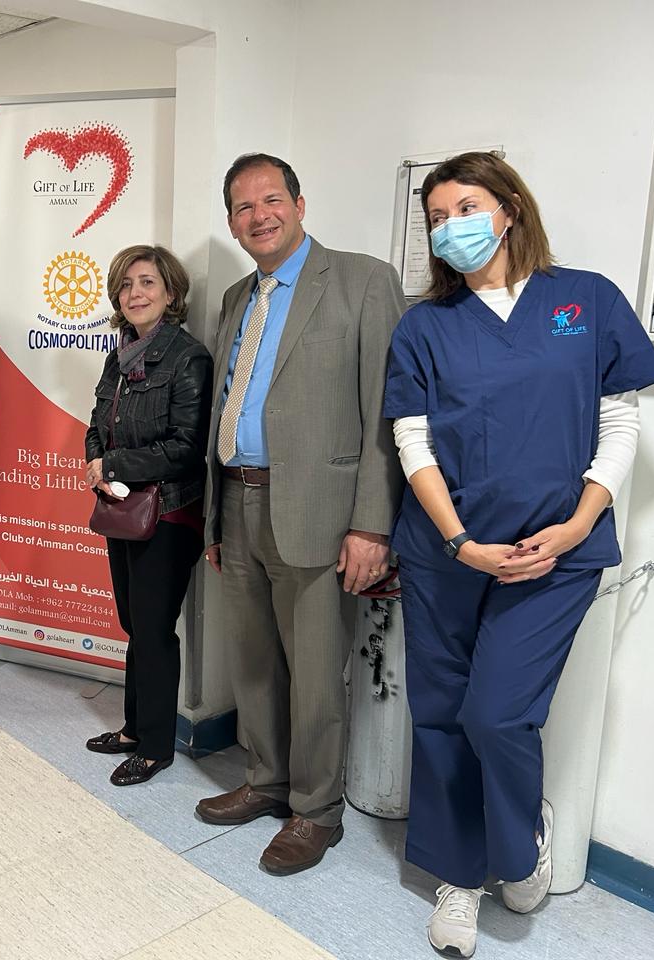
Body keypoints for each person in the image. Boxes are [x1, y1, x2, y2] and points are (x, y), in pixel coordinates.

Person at [384, 151, 654, 958]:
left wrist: (579, 524)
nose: (452, 227)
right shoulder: (425, 325)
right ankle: (458, 876)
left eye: (466, 208)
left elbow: (620, 420)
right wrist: (460, 541)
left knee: (497, 712)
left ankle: (519, 842)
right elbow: (413, 441)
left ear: (509, 208)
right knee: (442, 712)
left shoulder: (586, 300)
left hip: (554, 553)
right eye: (437, 217)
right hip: (448, 552)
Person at [196, 153, 406, 873]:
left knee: (316, 674)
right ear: (232, 222)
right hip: (236, 502)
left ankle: (316, 810)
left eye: (271, 199)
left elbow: (386, 412)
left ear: (299, 203)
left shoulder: (362, 281)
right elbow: (225, 405)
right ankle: (266, 780)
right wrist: (214, 518)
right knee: (253, 660)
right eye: (243, 207)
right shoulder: (236, 297)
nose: (259, 216)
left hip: (321, 511)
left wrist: (372, 525)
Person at [82, 245, 212, 786]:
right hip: (122, 507)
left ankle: (156, 746)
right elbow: (97, 423)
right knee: (134, 624)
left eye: (147, 283)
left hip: (169, 515)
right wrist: (95, 459)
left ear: (171, 292)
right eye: (126, 285)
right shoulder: (119, 357)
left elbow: (186, 446)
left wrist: (112, 463)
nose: (135, 293)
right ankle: (135, 728)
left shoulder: (188, 357)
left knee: (154, 629)